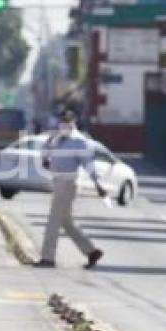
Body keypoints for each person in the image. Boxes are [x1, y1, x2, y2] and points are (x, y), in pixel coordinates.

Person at [35, 111, 105, 269]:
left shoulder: (80, 142)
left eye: (68, 123)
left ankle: (47, 258)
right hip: (58, 182)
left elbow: (89, 165)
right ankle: (91, 251)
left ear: (74, 123)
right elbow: (46, 153)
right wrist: (47, 152)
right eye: (62, 123)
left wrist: (98, 185)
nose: (64, 126)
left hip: (67, 184)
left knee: (53, 221)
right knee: (66, 222)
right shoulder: (57, 139)